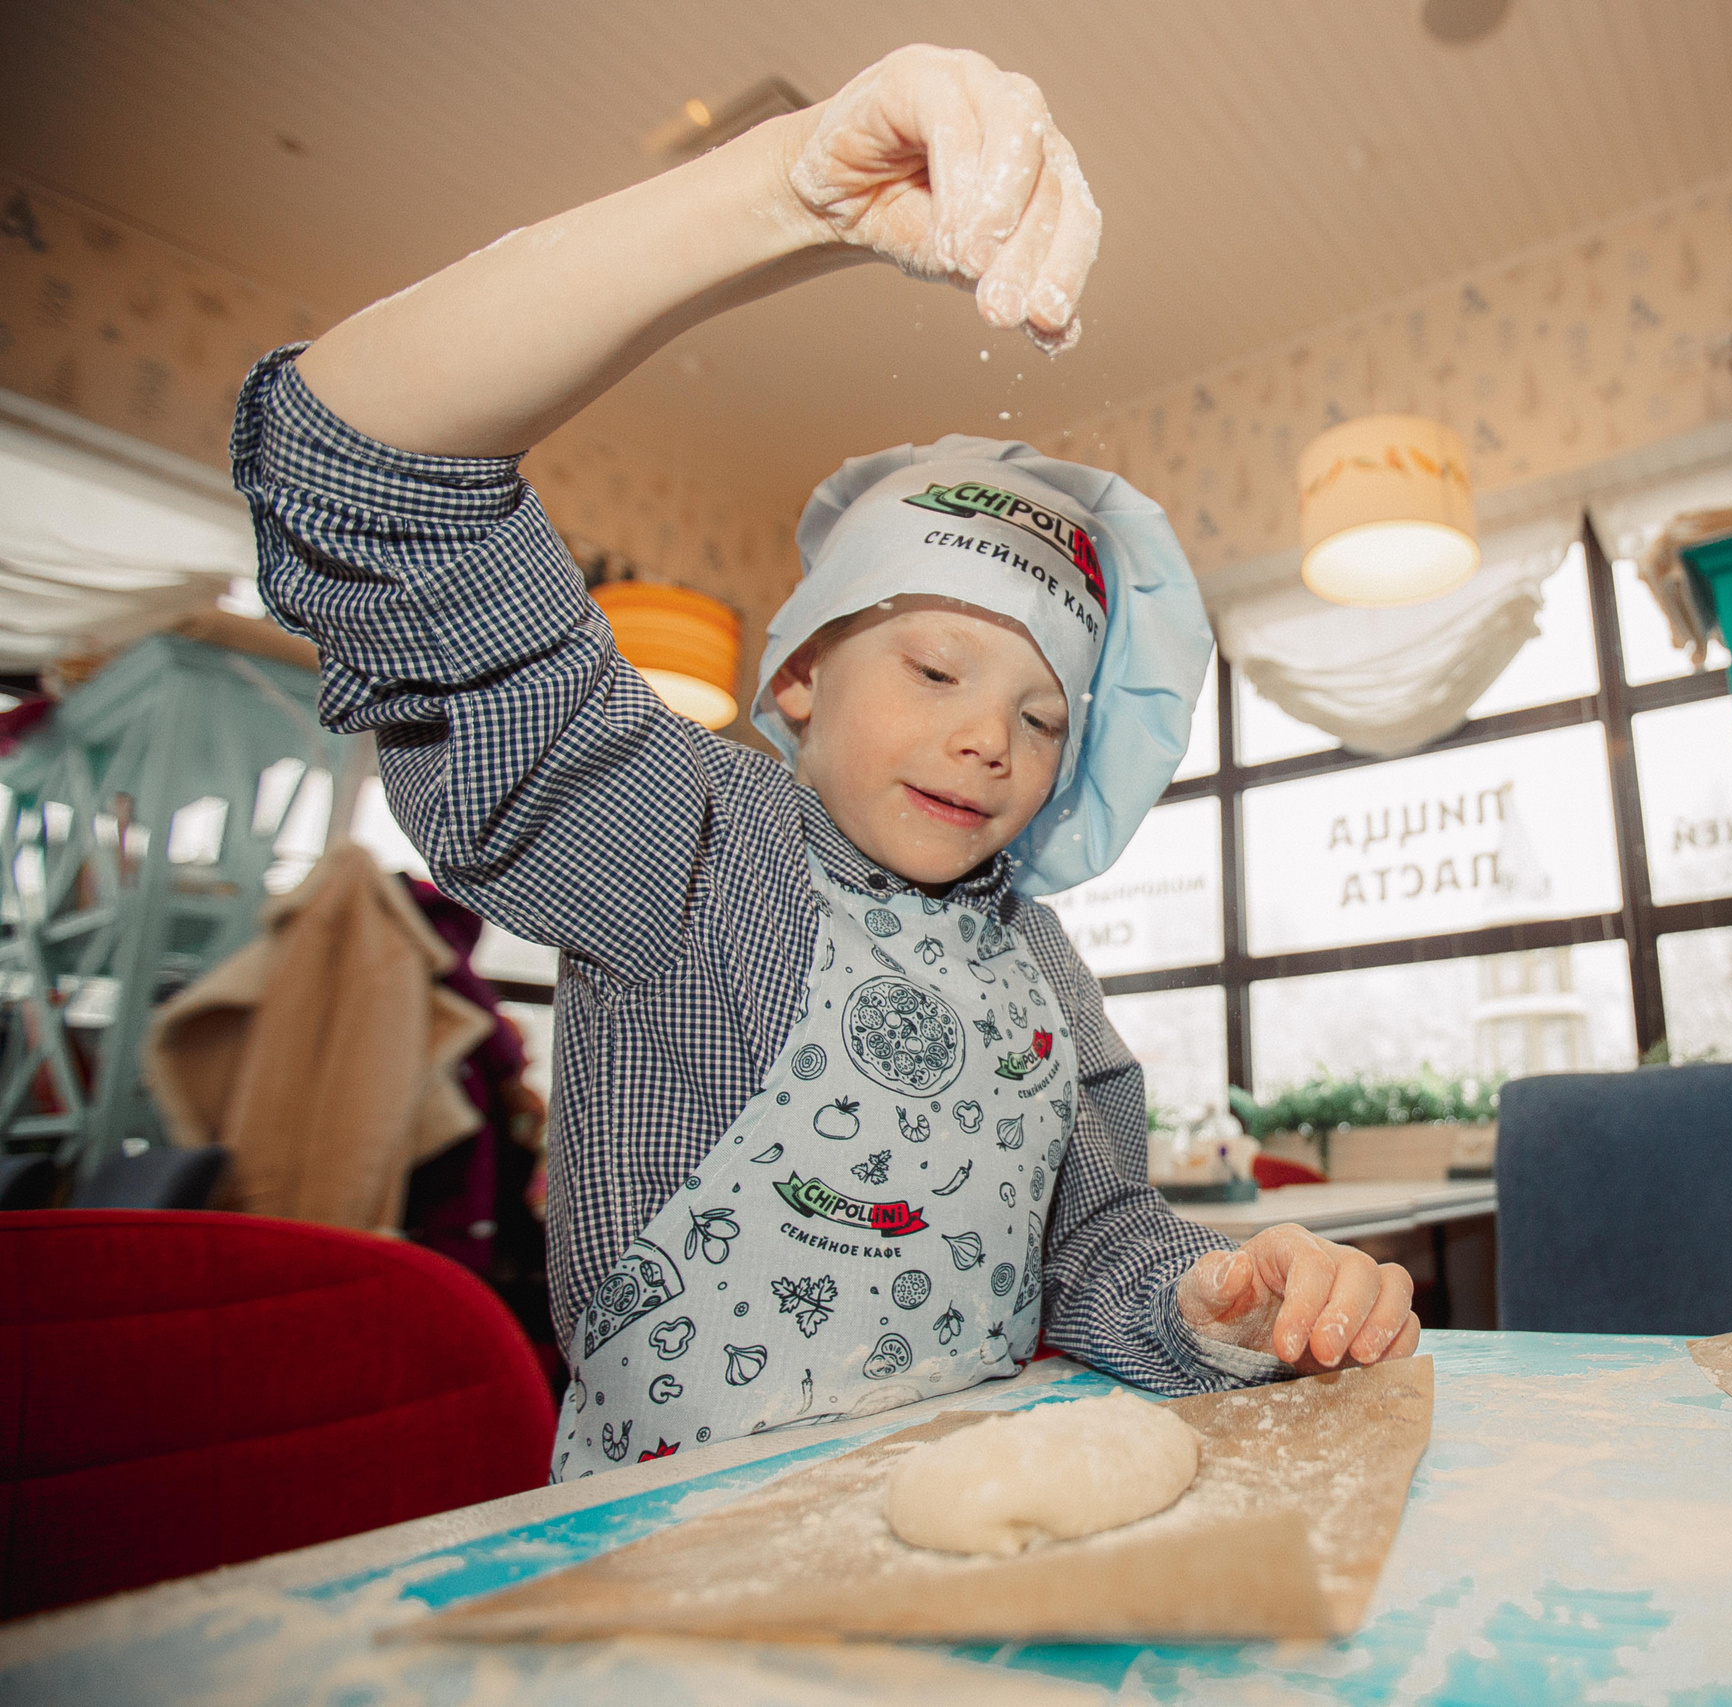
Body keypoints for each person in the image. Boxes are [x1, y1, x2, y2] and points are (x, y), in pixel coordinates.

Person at [234, 44, 1418, 1480]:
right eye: (935, 670)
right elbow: (354, 461)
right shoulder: (688, 846)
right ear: (795, 676)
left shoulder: (1038, 962)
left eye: (1045, 718)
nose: (989, 733)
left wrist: (1215, 1296)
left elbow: (1092, 1245)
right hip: (675, 1558)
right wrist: (770, 190)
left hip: (963, 1549)